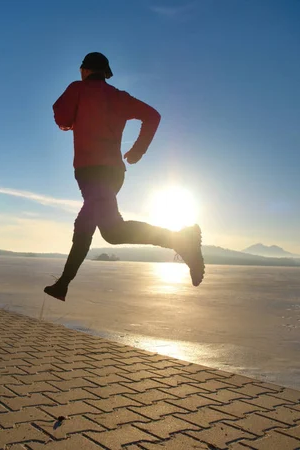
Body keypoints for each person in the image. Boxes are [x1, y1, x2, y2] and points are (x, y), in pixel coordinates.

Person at [44, 52, 204, 301]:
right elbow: (153, 116)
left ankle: (182, 238)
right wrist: (139, 150)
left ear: (85, 70)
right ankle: (62, 285)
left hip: (92, 173)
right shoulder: (119, 97)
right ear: (105, 73)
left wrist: (76, 112)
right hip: (113, 173)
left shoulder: (78, 88)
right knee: (86, 225)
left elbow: (62, 118)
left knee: (112, 232)